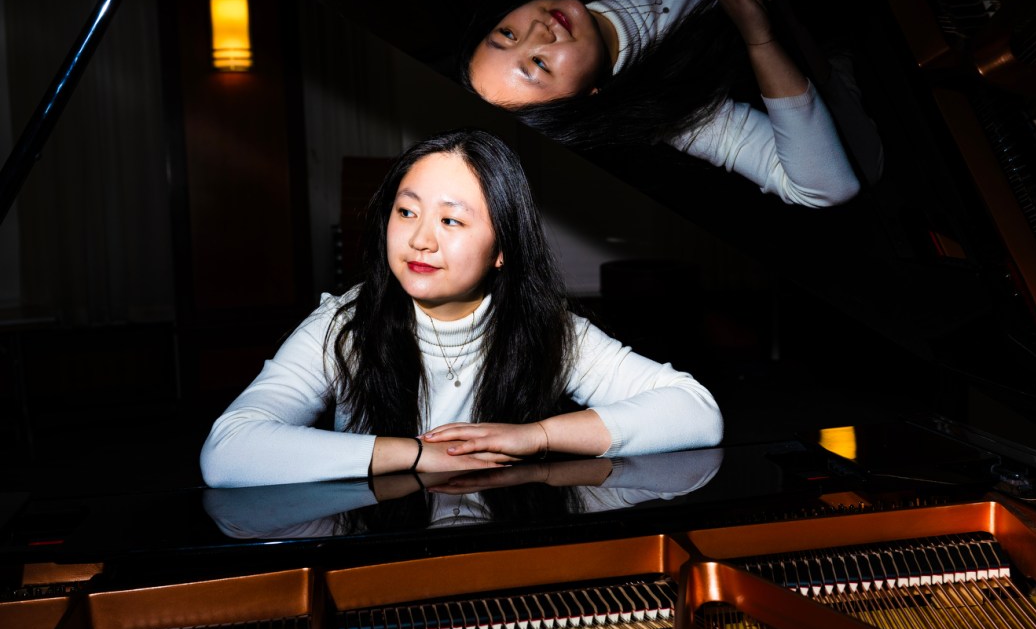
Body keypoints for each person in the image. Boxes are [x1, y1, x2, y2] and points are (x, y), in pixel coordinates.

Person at [200, 129, 722, 488]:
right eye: (406, 212)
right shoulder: (344, 326)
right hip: (379, 564)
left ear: (501, 249)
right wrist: (416, 454)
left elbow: (695, 412)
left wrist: (536, 436)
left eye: (451, 221)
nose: (420, 239)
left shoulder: (548, 329)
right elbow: (230, 450)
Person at [461, 0, 865, 208]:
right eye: (538, 64)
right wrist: (759, 39)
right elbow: (826, 187)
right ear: (583, 102)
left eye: (508, 34)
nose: (537, 29)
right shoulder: (668, 114)